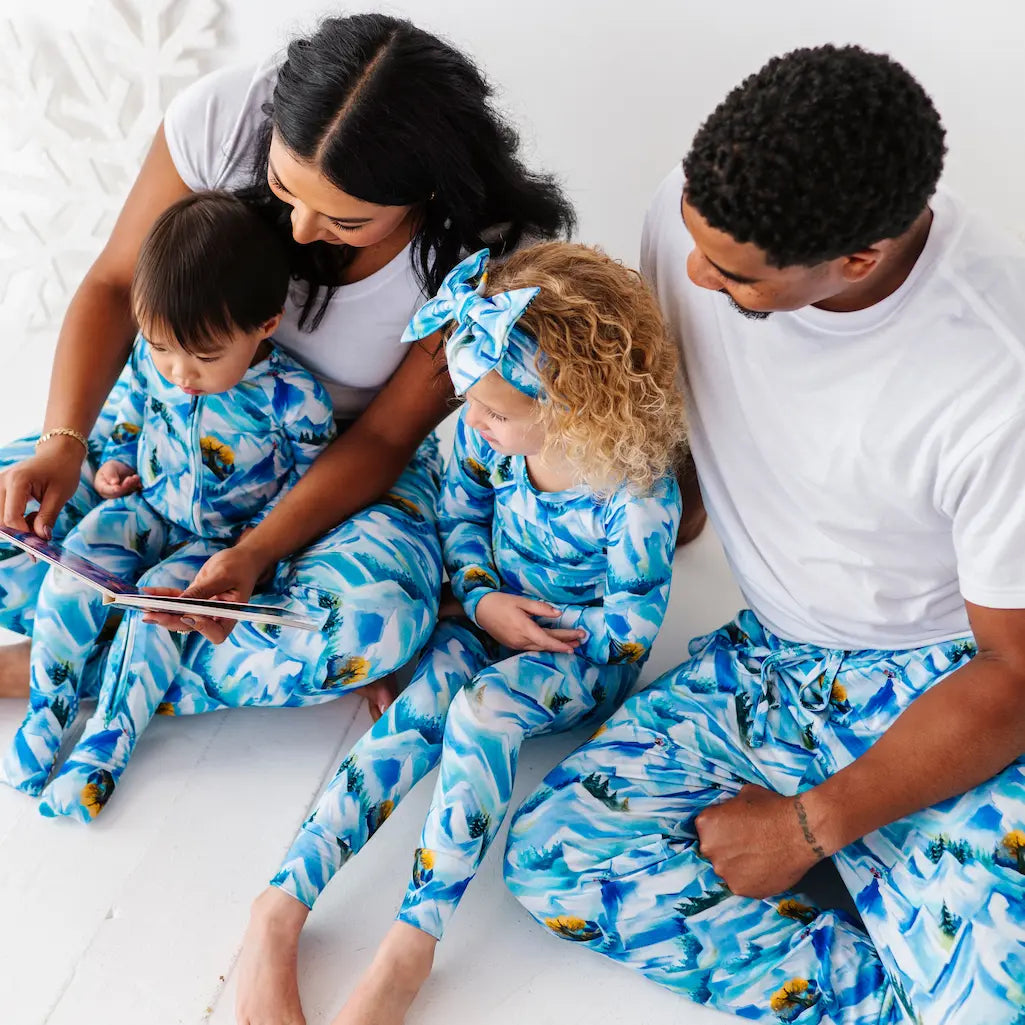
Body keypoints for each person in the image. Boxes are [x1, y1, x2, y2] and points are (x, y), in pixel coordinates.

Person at [503, 45, 1025, 1024]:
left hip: (944, 689)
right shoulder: (686, 211)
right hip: (772, 666)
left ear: (856, 260)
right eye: (694, 238)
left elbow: (1012, 672)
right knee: (555, 854)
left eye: (735, 274)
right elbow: (680, 416)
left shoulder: (995, 372)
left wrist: (806, 825)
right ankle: (888, 988)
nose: (692, 271)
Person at [0, 13, 575, 721]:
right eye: (283, 186)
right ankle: (150, 628)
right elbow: (117, 287)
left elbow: (385, 438)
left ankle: (55, 664)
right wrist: (66, 441)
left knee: (372, 622)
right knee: (12, 514)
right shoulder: (227, 115)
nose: (301, 228)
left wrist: (255, 552)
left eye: (346, 220)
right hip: (161, 436)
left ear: (427, 194)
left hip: (328, 477)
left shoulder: (487, 254)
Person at [234, 243, 685, 1025]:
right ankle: (280, 903)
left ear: (574, 406)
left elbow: (629, 631)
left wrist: (531, 625)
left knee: (480, 711)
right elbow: (461, 519)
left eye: (495, 411)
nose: (470, 421)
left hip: (571, 660)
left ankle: (411, 941)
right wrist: (479, 603)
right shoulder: (486, 435)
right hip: (484, 620)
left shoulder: (636, 496)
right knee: (414, 715)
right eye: (468, 401)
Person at [1, 191, 339, 820]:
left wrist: (256, 552)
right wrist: (111, 468)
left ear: (265, 323)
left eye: (205, 358)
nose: (180, 372)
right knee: (68, 582)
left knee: (155, 618)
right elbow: (129, 415)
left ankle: (103, 751)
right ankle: (46, 717)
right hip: (145, 508)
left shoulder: (296, 399)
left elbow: (311, 488)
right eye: (162, 348)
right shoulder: (149, 361)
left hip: (220, 543)